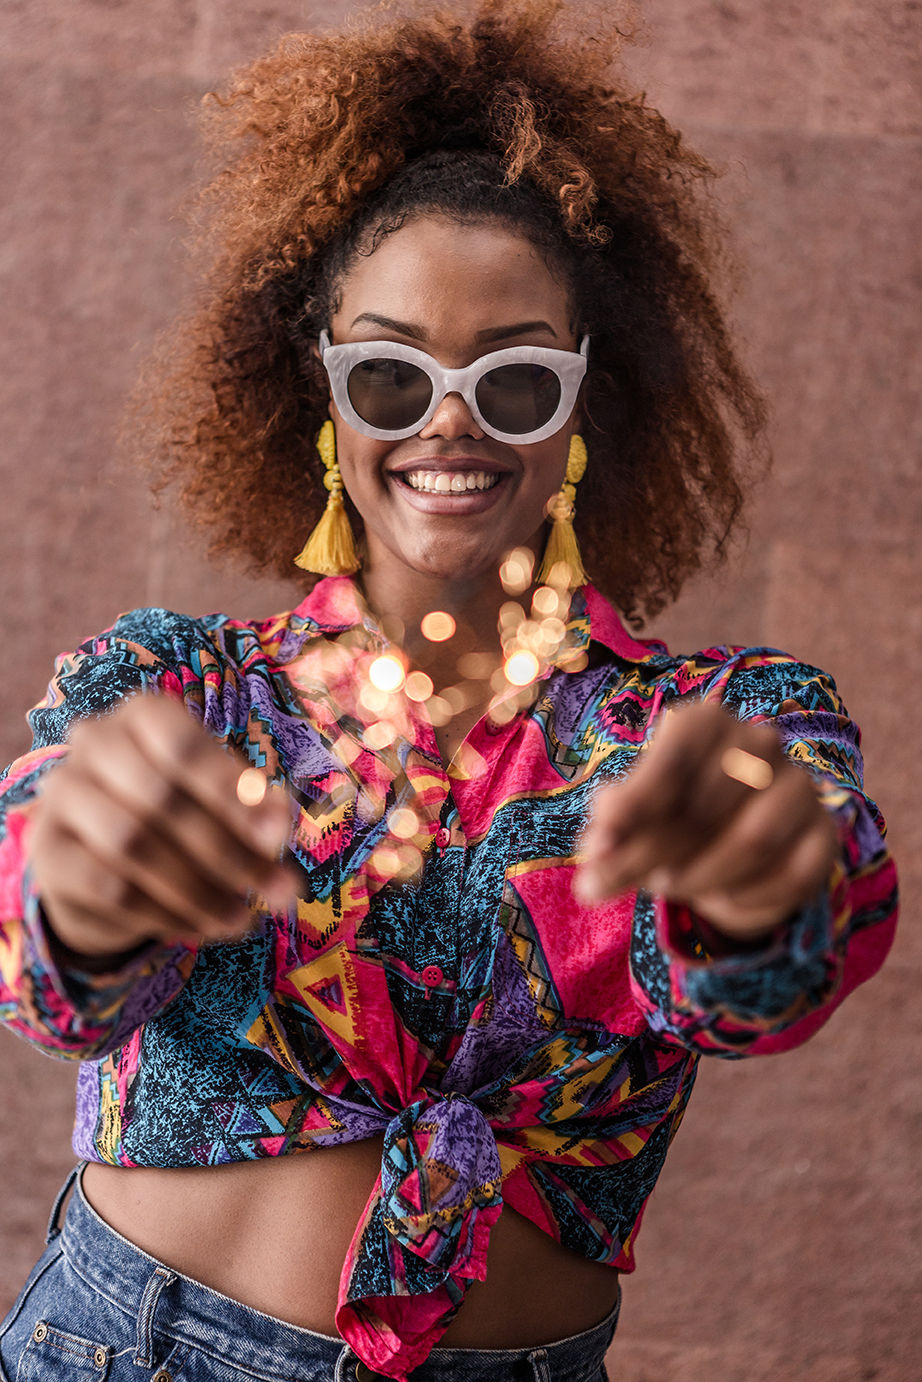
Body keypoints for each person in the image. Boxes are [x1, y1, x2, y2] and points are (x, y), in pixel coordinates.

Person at [0, 3, 898, 1380]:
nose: (450, 417)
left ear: (583, 405)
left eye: (515, 377)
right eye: (390, 372)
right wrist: (70, 899)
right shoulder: (177, 688)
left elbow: (783, 950)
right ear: (323, 396)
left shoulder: (720, 725)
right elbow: (41, 960)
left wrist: (767, 893)